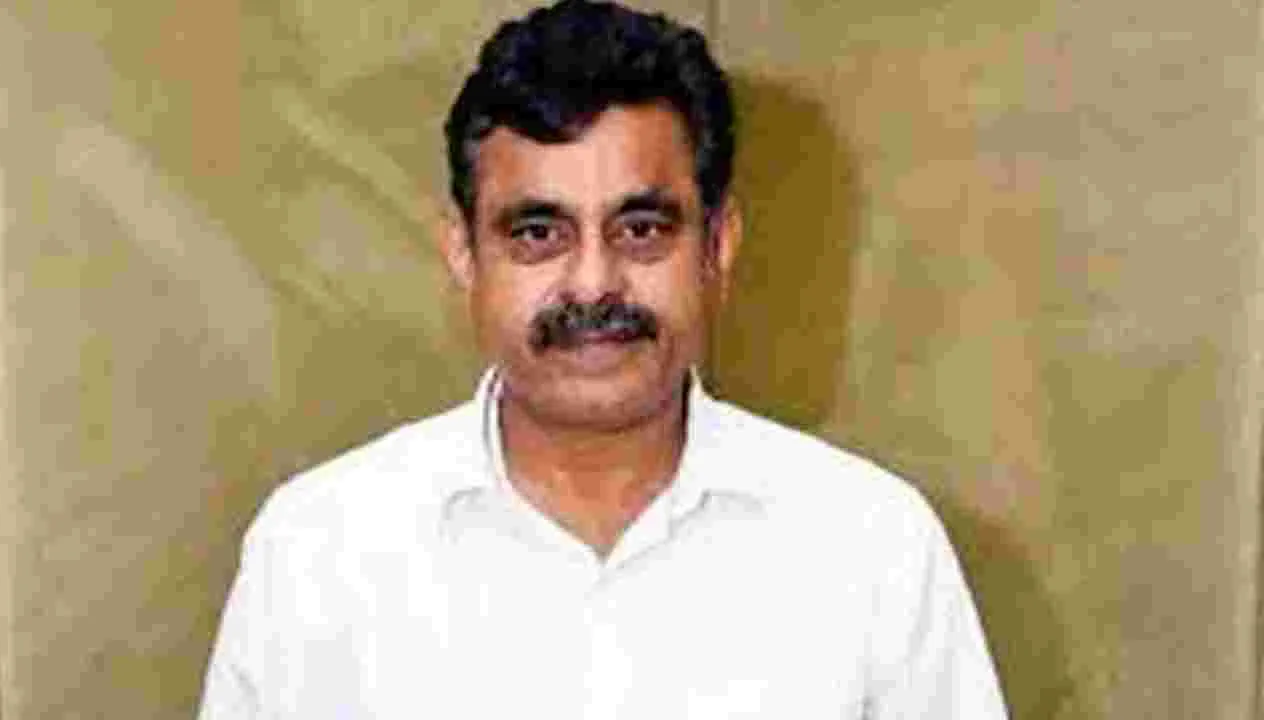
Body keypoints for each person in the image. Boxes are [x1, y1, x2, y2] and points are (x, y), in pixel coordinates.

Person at [197, 1, 1008, 717]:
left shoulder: (872, 549)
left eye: (642, 229)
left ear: (718, 247)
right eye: (538, 232)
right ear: (464, 255)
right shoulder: (317, 554)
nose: (593, 281)